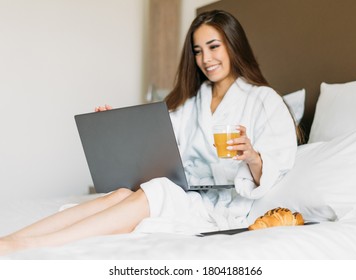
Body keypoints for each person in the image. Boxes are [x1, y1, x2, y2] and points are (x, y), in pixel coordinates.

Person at [0, 10, 297, 256]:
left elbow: (274, 170)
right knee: (120, 194)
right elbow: (158, 145)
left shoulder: (263, 100)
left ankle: (30, 246)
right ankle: (10, 239)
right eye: (198, 51)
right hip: (186, 192)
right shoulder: (191, 102)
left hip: (223, 208)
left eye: (214, 46)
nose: (206, 58)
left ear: (233, 44)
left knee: (154, 193)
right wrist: (116, 129)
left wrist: (252, 156)